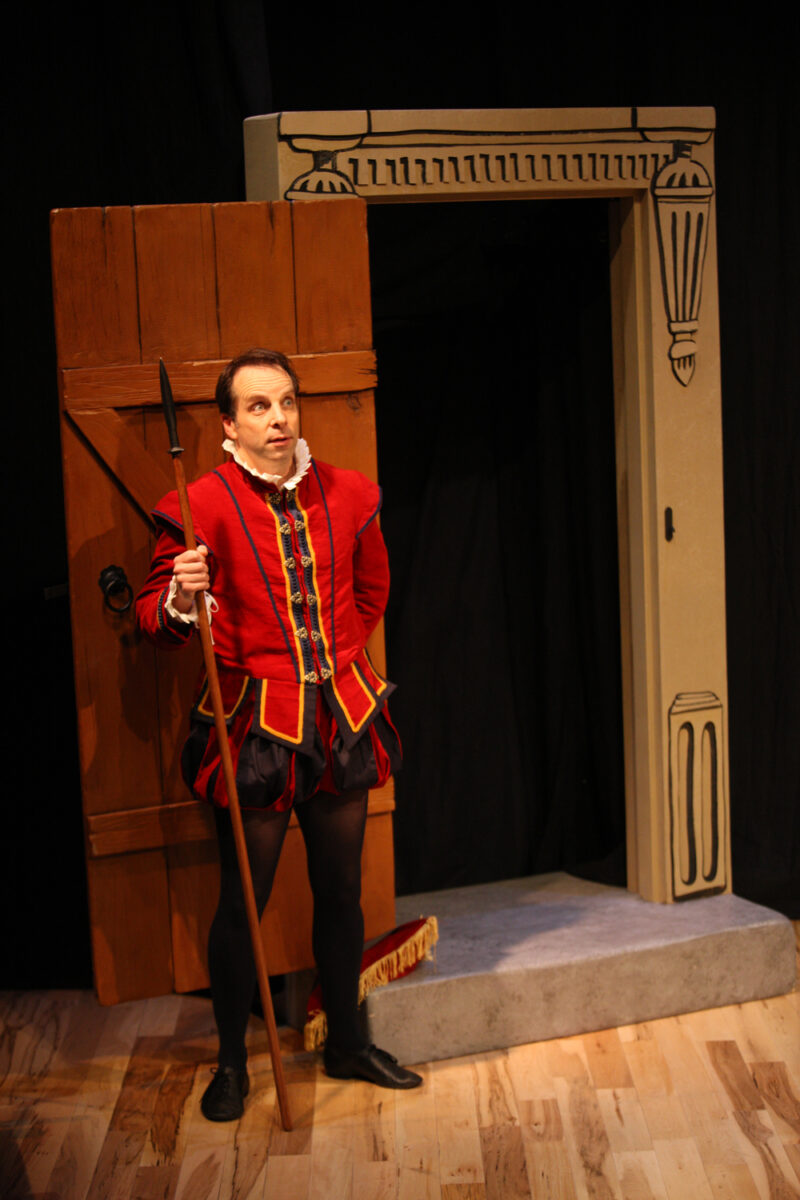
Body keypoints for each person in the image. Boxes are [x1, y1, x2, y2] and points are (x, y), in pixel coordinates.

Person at [136, 348, 421, 1121]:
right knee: (243, 903)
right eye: (259, 406)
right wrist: (183, 601)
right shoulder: (199, 506)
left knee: (340, 889)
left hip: (340, 716)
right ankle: (232, 1061)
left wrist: (333, 657)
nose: (278, 419)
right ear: (228, 422)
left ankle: (348, 1042)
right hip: (255, 728)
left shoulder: (349, 493)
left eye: (287, 402)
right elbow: (153, 624)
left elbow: (372, 591)